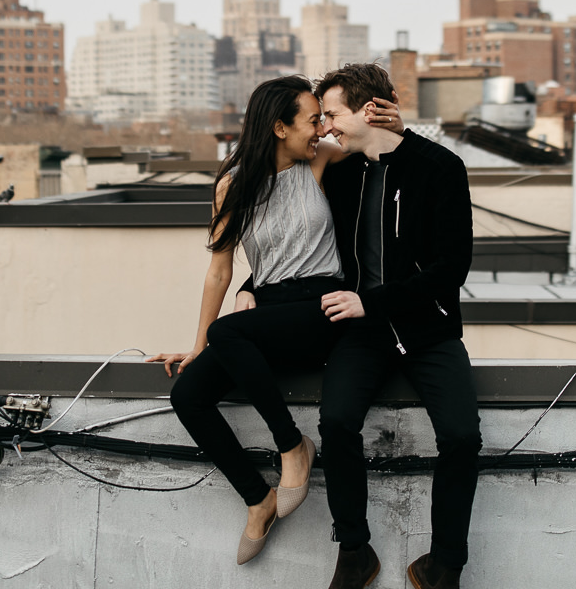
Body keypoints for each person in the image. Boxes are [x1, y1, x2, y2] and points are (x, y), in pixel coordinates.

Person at [151, 75, 402, 566]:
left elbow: (384, 152)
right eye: (312, 121)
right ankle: (256, 497)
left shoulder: (323, 159)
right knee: (188, 394)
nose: (320, 129)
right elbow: (219, 271)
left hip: (324, 306)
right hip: (269, 312)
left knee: (228, 331)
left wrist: (394, 122)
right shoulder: (232, 186)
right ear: (279, 127)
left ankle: (293, 446)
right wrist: (199, 347)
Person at [313, 62, 479, 589]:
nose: (327, 126)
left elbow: (452, 269)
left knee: (461, 436)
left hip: (427, 329)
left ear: (369, 110)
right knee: (336, 423)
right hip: (362, 335)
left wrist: (374, 301)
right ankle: (355, 550)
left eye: (333, 114)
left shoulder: (440, 166)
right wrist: (250, 289)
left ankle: (444, 565)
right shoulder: (340, 174)